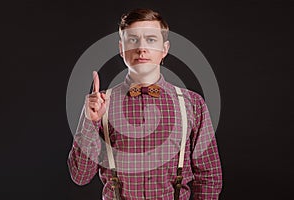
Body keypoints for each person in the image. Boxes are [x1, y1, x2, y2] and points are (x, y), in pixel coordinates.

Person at [67, 8, 222, 200]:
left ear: (164, 49)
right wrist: (91, 122)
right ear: (121, 48)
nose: (141, 48)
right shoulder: (100, 104)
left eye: (150, 39)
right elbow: (80, 176)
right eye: (133, 39)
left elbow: (210, 177)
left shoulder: (193, 104)